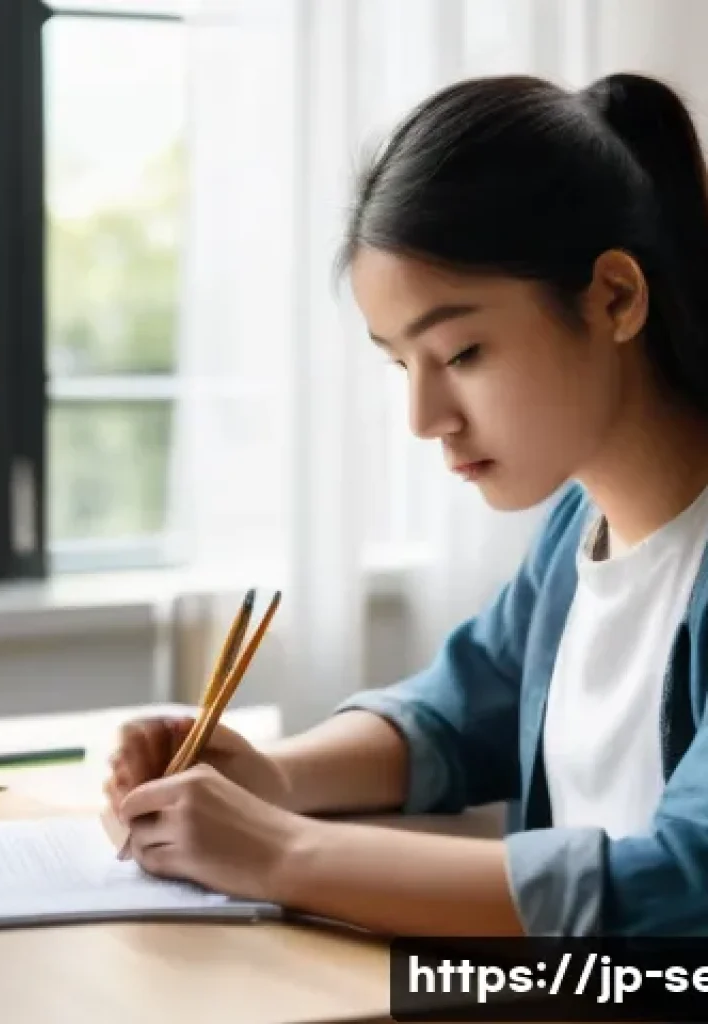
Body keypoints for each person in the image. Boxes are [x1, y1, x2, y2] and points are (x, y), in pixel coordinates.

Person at [103, 71, 708, 938]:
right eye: (401, 364)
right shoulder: (577, 534)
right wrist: (270, 777)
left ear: (615, 297)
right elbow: (459, 714)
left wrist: (281, 853)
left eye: (460, 354)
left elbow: (685, 880)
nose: (425, 419)